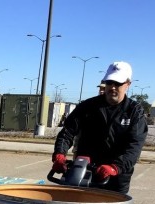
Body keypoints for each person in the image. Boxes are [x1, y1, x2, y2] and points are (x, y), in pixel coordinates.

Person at [51, 61, 148, 194]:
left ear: (128, 84)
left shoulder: (134, 112)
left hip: (116, 177)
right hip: (84, 171)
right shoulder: (88, 106)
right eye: (109, 82)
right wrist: (59, 155)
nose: (112, 87)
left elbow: (135, 146)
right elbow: (67, 132)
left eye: (118, 83)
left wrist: (115, 167)